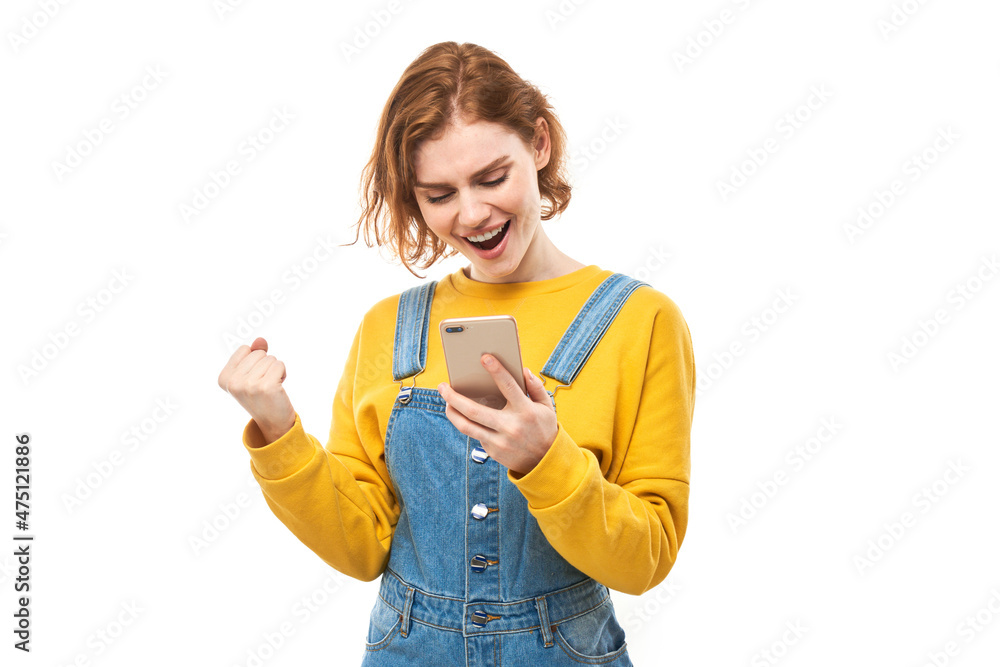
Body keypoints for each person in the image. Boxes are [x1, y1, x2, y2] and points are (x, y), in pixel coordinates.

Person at [217, 41, 695, 666]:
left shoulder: (640, 322)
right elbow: (361, 547)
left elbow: (645, 561)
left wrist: (545, 460)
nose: (473, 213)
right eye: (439, 194)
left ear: (541, 145)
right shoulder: (387, 327)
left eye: (493, 178)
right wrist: (278, 428)